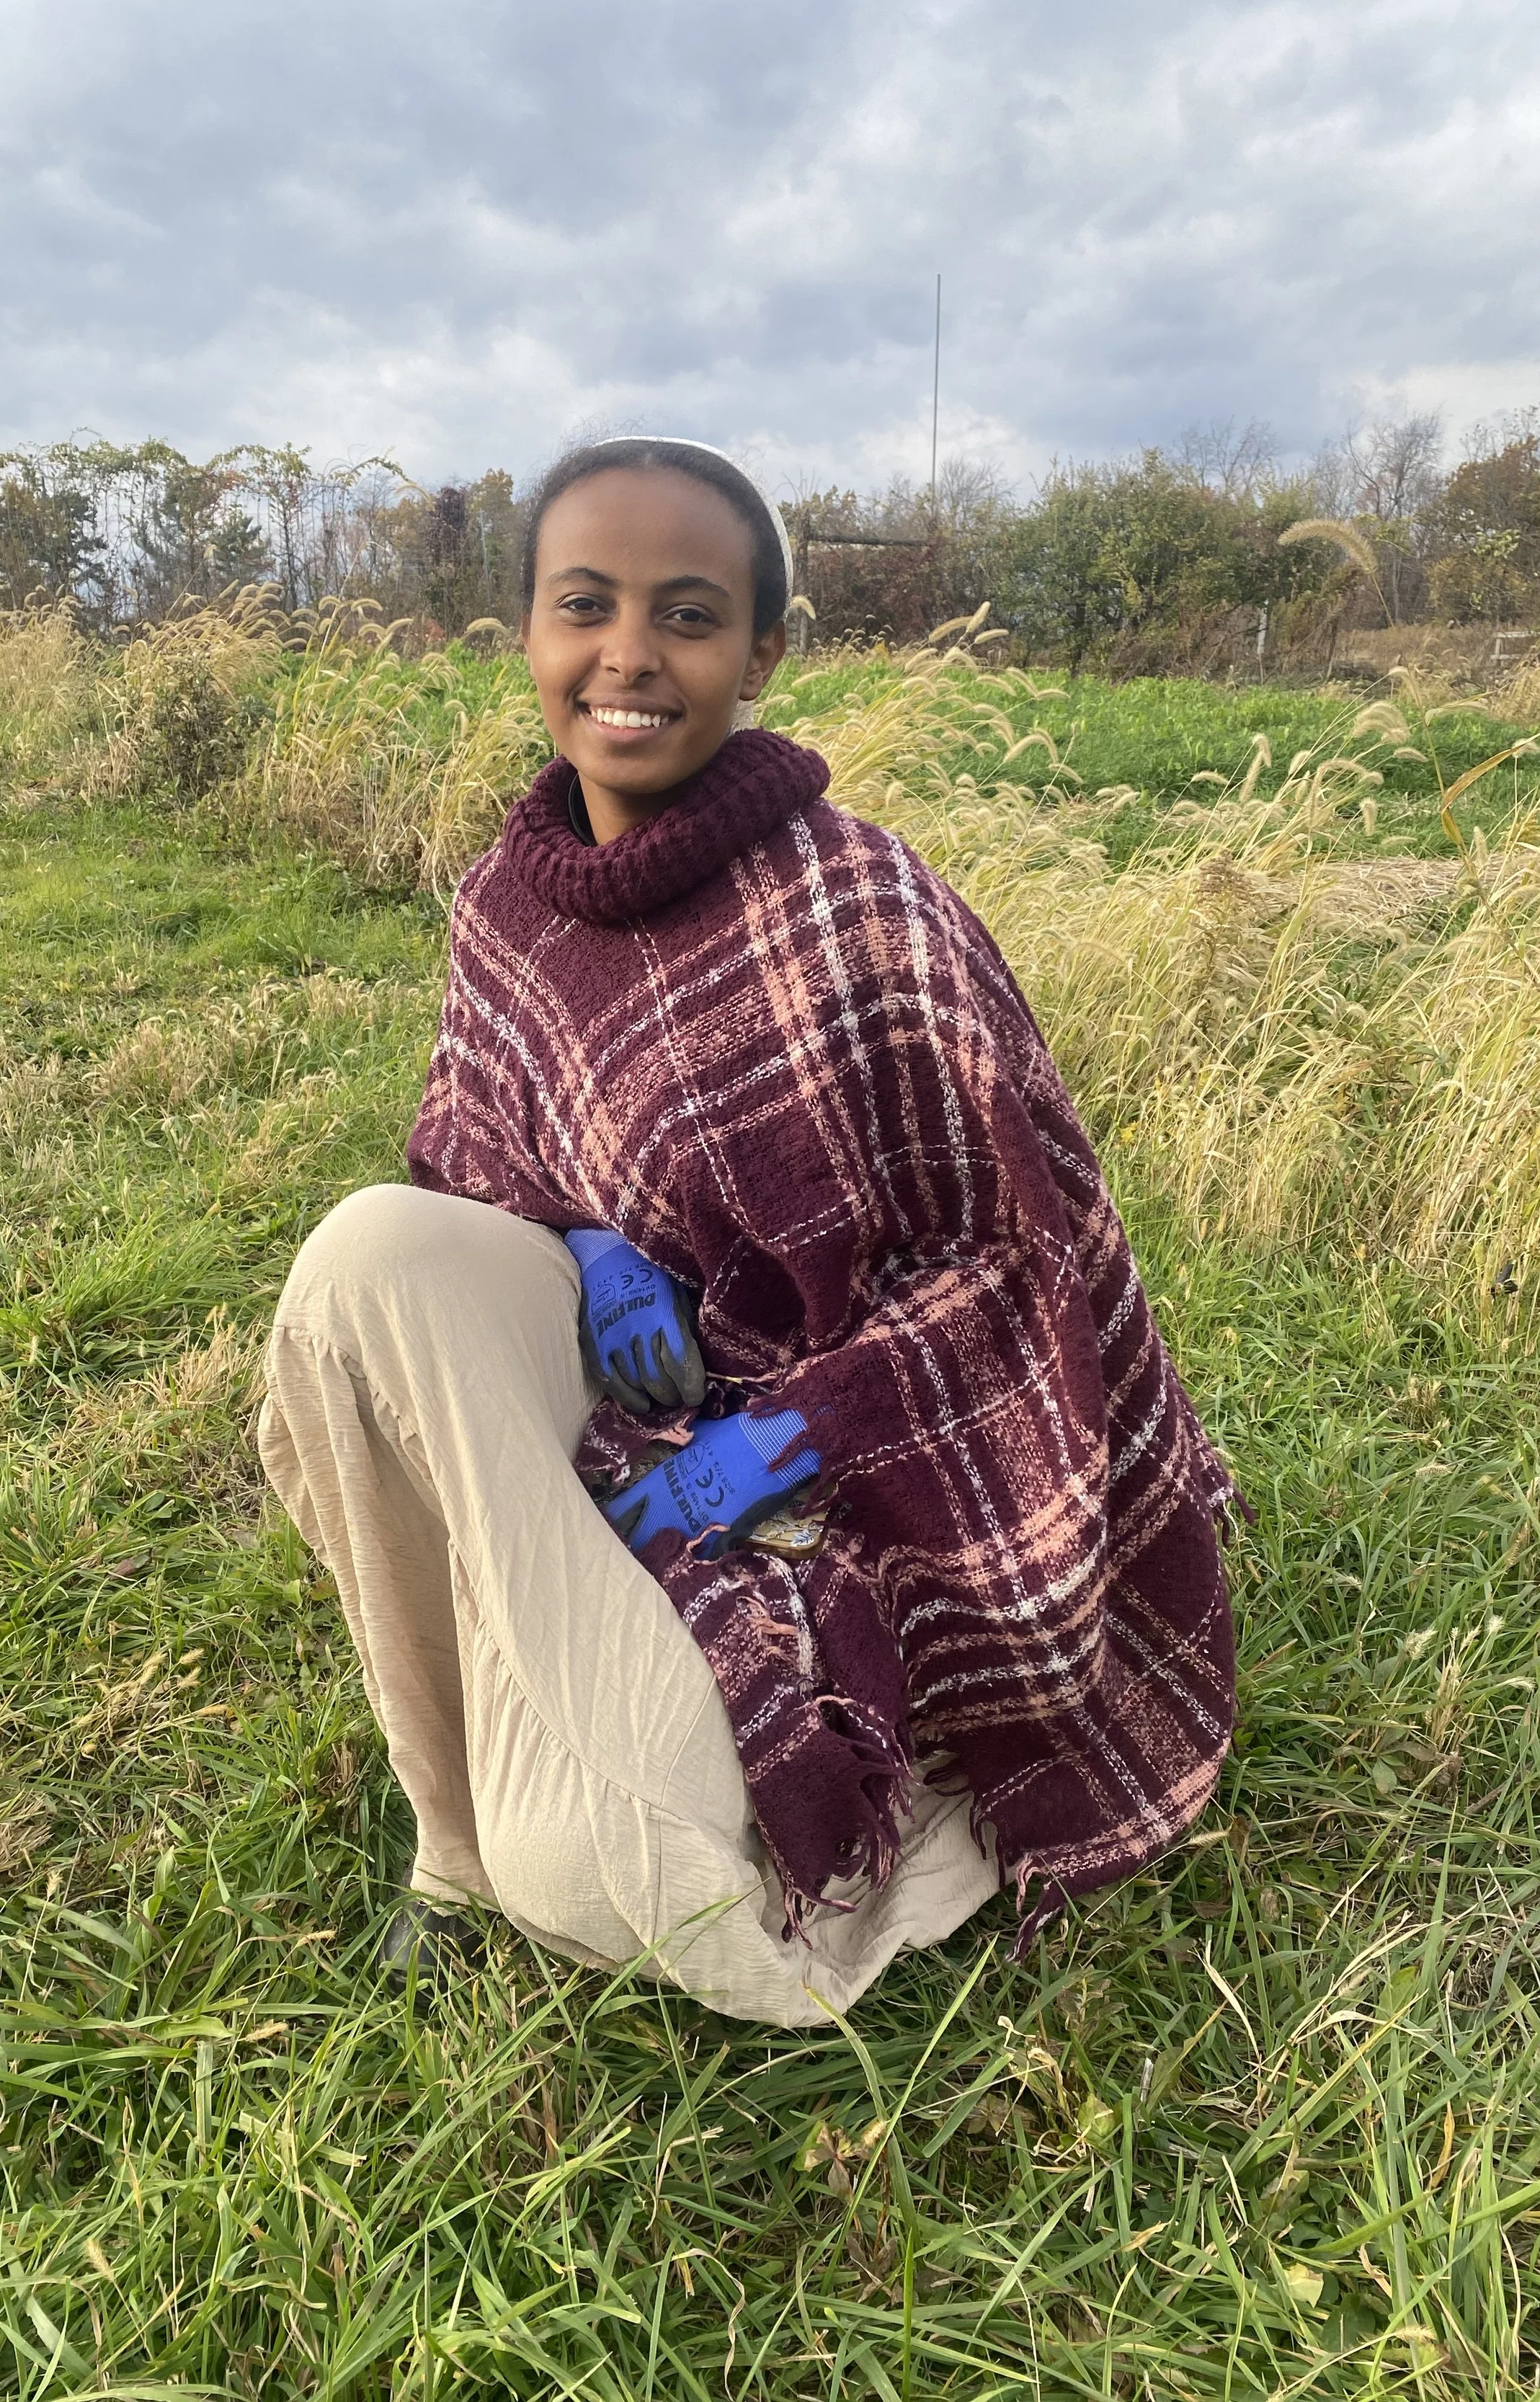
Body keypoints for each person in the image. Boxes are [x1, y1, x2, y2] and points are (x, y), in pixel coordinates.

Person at [257, 437, 1237, 2027]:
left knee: (601, 1873)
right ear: (525, 631)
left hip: (845, 1498)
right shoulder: (507, 905)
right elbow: (466, 1158)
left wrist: (764, 1447)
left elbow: (1016, 1272)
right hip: (623, 1419)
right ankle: (445, 1841)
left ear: (761, 653)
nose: (627, 654)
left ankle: (819, 1769)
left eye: (686, 613)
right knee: (363, 1257)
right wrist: (585, 1248)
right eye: (583, 604)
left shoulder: (861, 906)